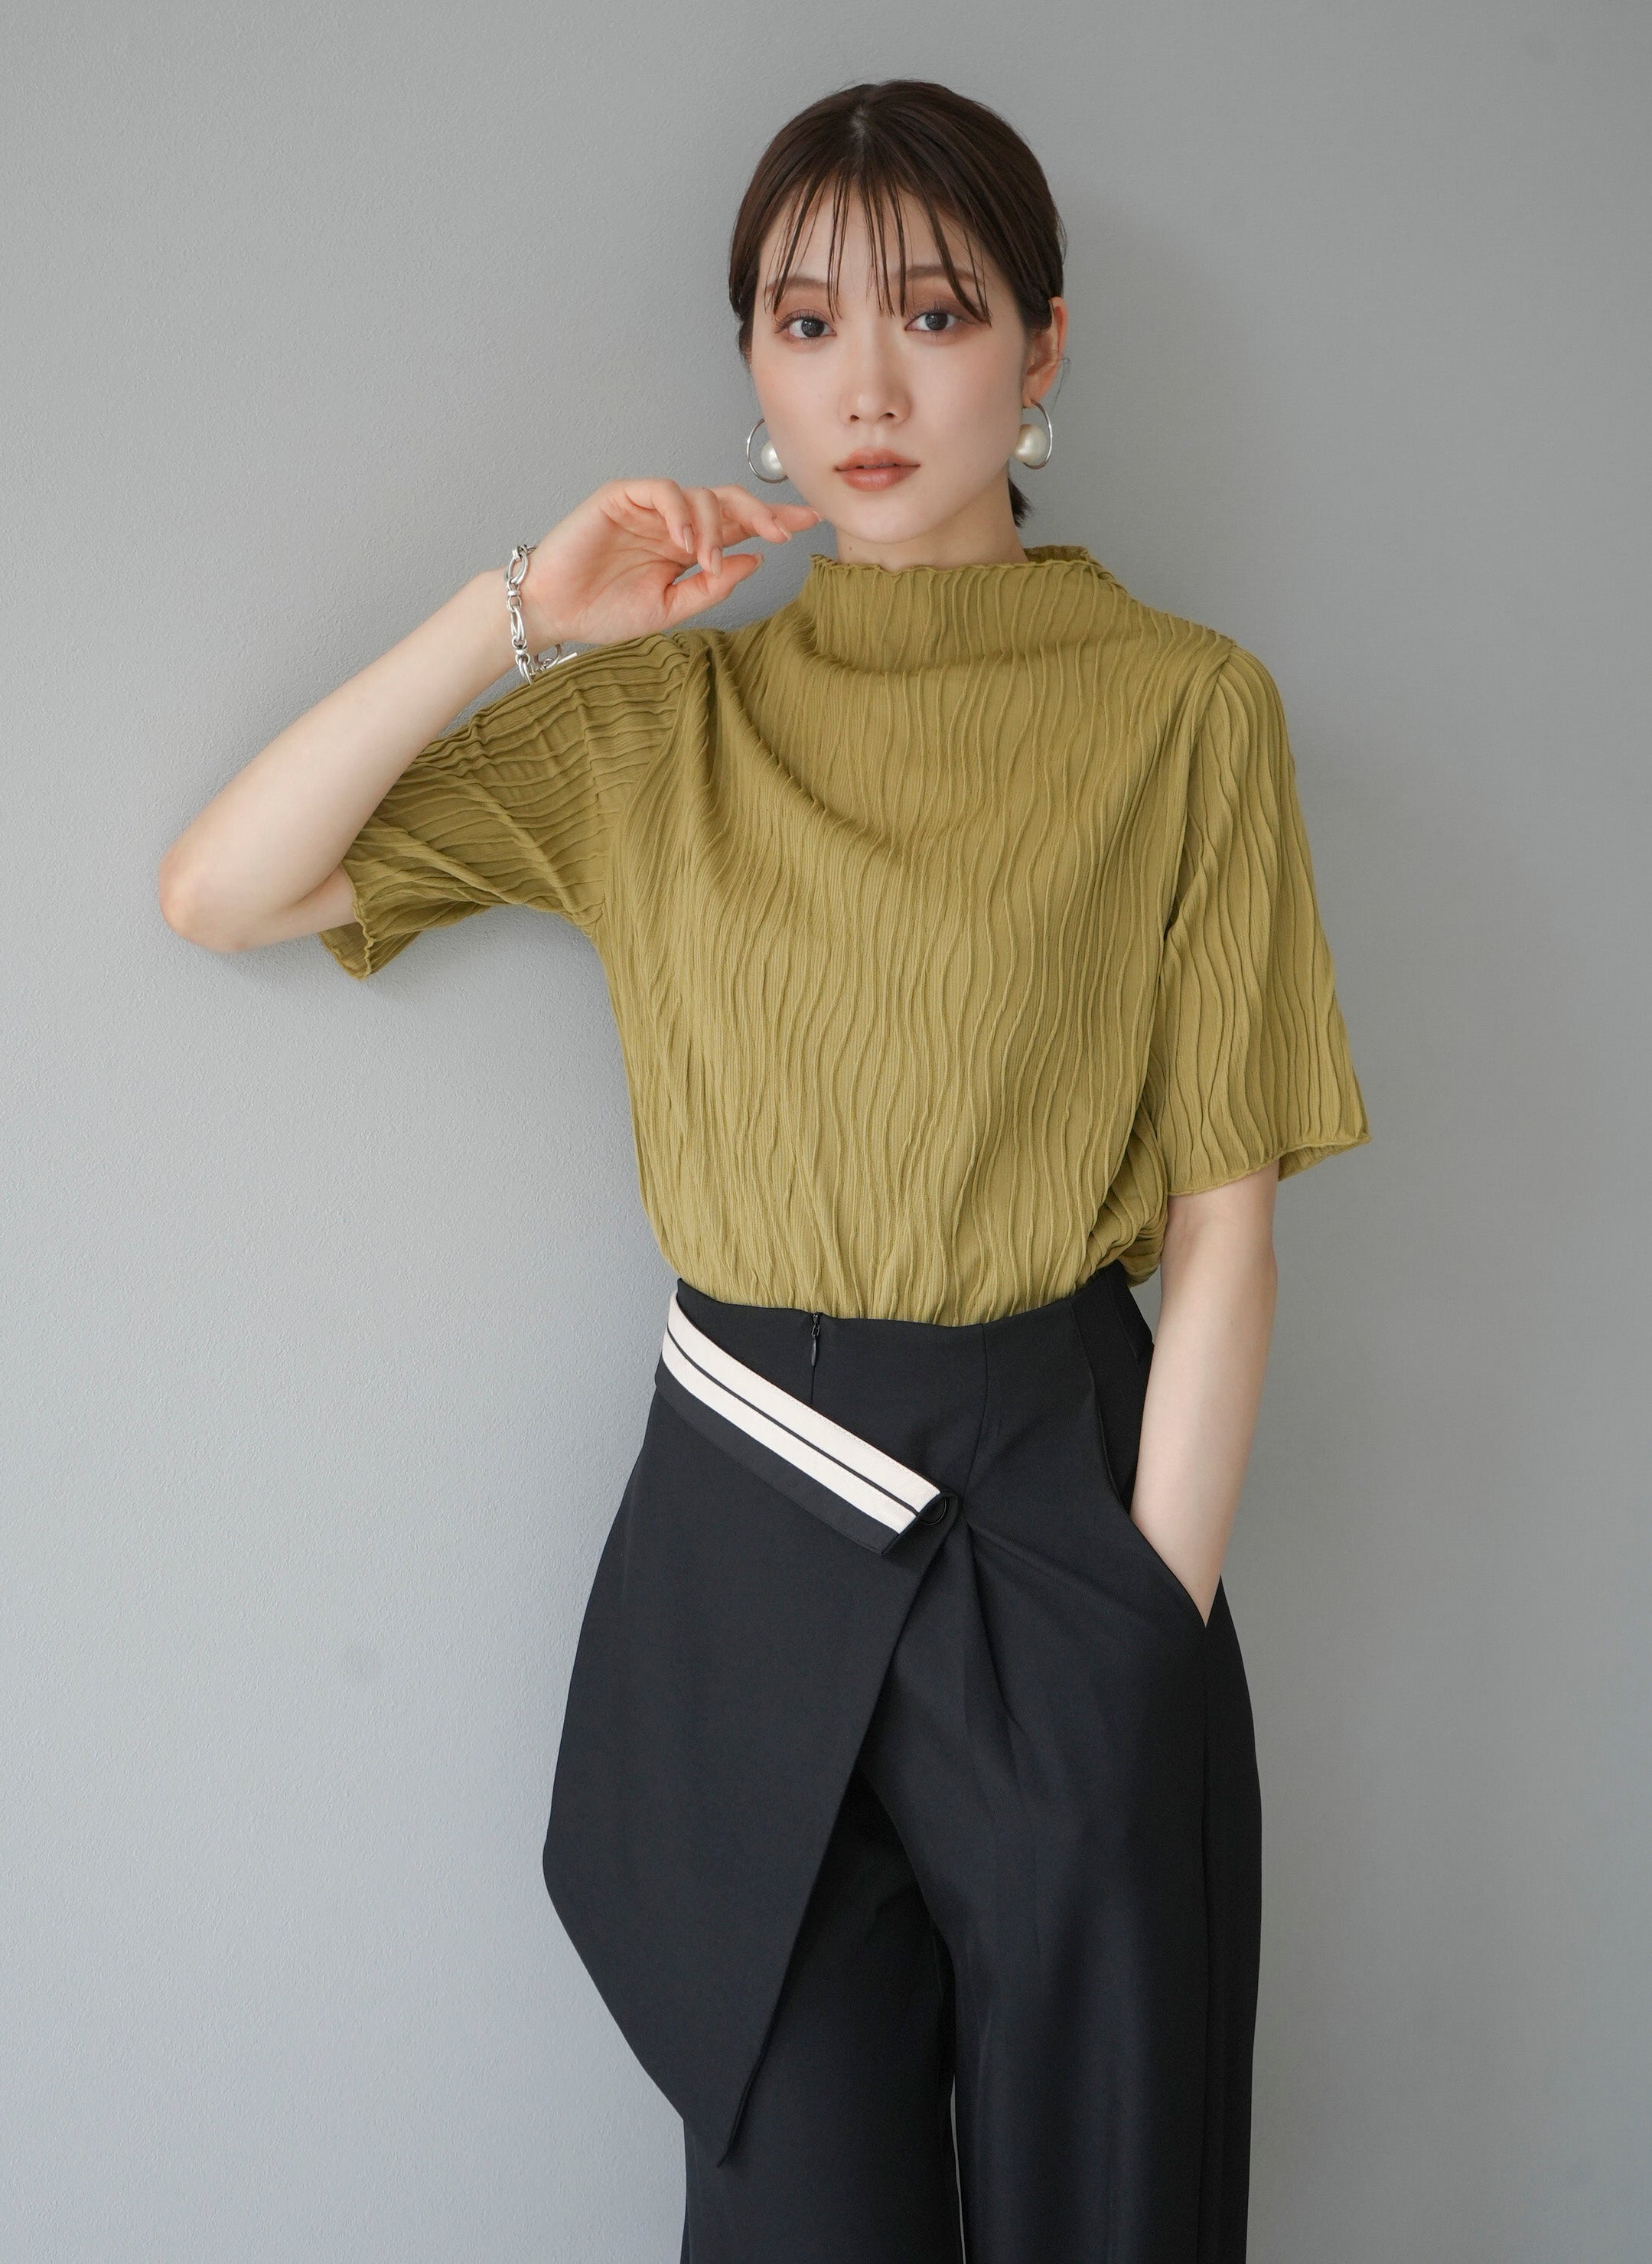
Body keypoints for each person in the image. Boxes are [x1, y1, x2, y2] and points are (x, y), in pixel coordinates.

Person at [159, 75, 1370, 2264]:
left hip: (1066, 1518)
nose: (871, 387)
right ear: (753, 367)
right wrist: (526, 608)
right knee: (795, 2215)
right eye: (807, 325)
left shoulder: (1188, 710)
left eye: (938, 312)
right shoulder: (663, 727)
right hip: (745, 1533)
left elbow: (1227, 1218)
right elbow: (226, 888)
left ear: (1045, 347)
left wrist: (1142, 1630)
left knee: (1110, 2210)